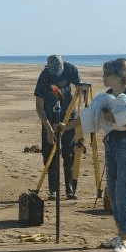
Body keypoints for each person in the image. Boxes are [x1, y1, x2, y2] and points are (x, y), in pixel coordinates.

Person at [78, 57, 126, 252]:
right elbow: (90, 117)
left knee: (123, 192)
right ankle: (120, 234)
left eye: (106, 74)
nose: (103, 77)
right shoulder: (106, 95)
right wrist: (66, 126)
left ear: (116, 77)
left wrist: (115, 119)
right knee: (113, 192)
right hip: (112, 143)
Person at [33, 55, 81, 200]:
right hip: (49, 116)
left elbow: (80, 89)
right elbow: (39, 108)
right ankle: (53, 190)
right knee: (50, 155)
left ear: (63, 65)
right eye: (53, 71)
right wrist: (49, 130)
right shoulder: (44, 76)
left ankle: (70, 190)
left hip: (68, 115)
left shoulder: (71, 70)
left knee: (69, 153)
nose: (56, 73)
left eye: (58, 70)